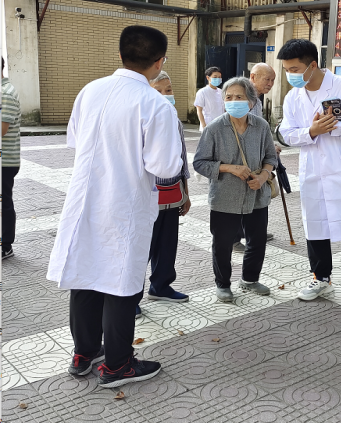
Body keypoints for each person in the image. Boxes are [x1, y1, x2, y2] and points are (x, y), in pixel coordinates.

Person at [47, 26, 184, 388]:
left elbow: (75, 140)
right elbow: (165, 168)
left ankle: (85, 353)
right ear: (160, 61)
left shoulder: (90, 90)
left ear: (121, 54)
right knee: (121, 282)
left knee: (85, 273)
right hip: (125, 206)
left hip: (84, 200)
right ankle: (118, 365)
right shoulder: (156, 104)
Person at [278, 39, 341, 310]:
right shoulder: (293, 97)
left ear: (312, 65)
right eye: (287, 70)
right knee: (316, 225)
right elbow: (287, 133)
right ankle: (320, 277)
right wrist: (311, 131)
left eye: (295, 69)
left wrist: (336, 127)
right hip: (314, 170)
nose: (290, 75)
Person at [193, 77, 278, 302]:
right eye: (228, 97)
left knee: (257, 241)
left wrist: (263, 176)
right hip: (224, 196)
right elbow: (199, 163)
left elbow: (271, 157)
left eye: (239, 97)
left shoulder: (261, 126)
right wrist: (229, 168)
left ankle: (250, 279)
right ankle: (222, 284)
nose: (233, 101)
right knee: (222, 244)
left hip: (256, 195)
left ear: (251, 101)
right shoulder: (214, 129)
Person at [134, 71, 191, 318]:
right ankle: (132, 296)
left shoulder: (175, 119)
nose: (165, 95)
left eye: (168, 90)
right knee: (143, 247)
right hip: (148, 194)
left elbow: (182, 157)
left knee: (167, 244)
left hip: (171, 193)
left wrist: (185, 192)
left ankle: (161, 285)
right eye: (158, 91)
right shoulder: (140, 118)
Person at [232, 63, 278, 253]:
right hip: (238, 158)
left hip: (255, 158)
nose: (270, 84)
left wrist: (269, 145)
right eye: (267, 79)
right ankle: (234, 238)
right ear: (253, 77)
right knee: (238, 197)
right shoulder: (241, 100)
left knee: (255, 195)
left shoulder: (257, 102)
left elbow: (258, 130)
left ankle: (254, 232)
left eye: (273, 80)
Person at [2, 57, 21, 260]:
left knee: (3, 203)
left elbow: (2, 129)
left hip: (4, 161)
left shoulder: (5, 94)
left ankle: (5, 246)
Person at [194, 66, 224, 132]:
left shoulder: (221, 92)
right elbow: (199, 111)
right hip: (208, 124)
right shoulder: (202, 92)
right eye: (215, 77)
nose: (217, 79)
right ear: (208, 78)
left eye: (219, 77)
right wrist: (204, 126)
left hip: (221, 125)